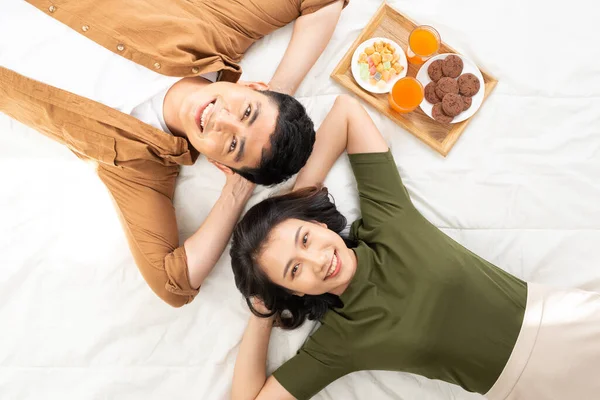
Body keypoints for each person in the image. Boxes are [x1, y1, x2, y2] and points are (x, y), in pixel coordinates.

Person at [229, 95, 600, 400]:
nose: (318, 260)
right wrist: (263, 305)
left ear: (317, 223)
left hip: (572, 322)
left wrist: (294, 207)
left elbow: (346, 114)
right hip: (533, 389)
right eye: (294, 270)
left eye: (306, 240)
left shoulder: (387, 222)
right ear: (293, 291)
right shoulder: (339, 341)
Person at [0, 0, 347, 307]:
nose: (222, 121)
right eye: (247, 112)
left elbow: (174, 284)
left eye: (233, 146)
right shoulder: (218, 28)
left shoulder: (138, 165)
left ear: (219, 163)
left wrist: (237, 189)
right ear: (253, 86)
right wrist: (280, 91)